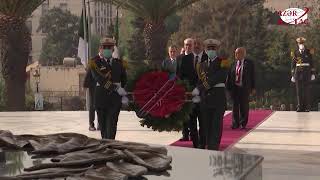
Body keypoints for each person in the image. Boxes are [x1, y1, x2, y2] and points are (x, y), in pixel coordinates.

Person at [192, 38, 229, 150]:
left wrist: (200, 88)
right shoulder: (201, 65)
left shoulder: (223, 62)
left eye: (213, 48)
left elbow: (219, 78)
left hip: (218, 98)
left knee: (216, 124)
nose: (211, 50)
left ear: (217, 49)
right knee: (206, 124)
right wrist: (197, 94)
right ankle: (209, 144)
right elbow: (200, 80)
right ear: (205, 50)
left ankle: (214, 146)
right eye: (209, 48)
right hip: (205, 99)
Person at [88, 37, 127, 139]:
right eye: (104, 47)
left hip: (114, 100)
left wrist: (124, 92)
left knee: (112, 127)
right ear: (100, 49)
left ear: (113, 49)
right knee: (104, 130)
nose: (107, 49)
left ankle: (110, 147)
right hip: (101, 99)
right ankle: (107, 148)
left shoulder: (119, 63)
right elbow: (100, 80)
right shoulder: (94, 62)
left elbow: (124, 79)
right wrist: (116, 88)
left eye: (109, 47)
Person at [226, 47, 255, 130]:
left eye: (237, 53)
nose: (235, 55)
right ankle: (235, 123)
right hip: (235, 88)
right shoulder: (233, 64)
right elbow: (229, 76)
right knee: (235, 106)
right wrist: (228, 87)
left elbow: (252, 76)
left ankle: (243, 123)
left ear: (243, 54)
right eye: (235, 53)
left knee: (244, 106)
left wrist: (253, 87)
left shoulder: (249, 64)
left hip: (244, 88)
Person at [178, 38, 196, 144]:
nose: (188, 47)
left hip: (192, 89)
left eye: (190, 45)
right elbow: (177, 73)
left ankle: (193, 135)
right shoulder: (179, 57)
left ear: (193, 46)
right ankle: (185, 134)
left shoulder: (195, 58)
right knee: (183, 113)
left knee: (192, 113)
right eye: (186, 45)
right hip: (181, 89)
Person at [291, 37, 316, 112]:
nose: (301, 44)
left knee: (306, 91)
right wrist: (292, 75)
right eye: (299, 43)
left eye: (302, 43)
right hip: (298, 73)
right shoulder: (295, 52)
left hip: (307, 73)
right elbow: (293, 64)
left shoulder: (309, 52)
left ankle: (306, 107)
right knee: (299, 91)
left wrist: (312, 73)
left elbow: (312, 63)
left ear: (304, 44)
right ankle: (299, 107)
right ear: (298, 44)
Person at [83, 66, 98, 131]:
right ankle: (91, 125)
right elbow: (87, 76)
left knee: (101, 107)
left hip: (102, 90)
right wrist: (85, 86)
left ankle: (100, 124)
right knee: (92, 107)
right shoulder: (93, 65)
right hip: (93, 89)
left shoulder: (105, 64)